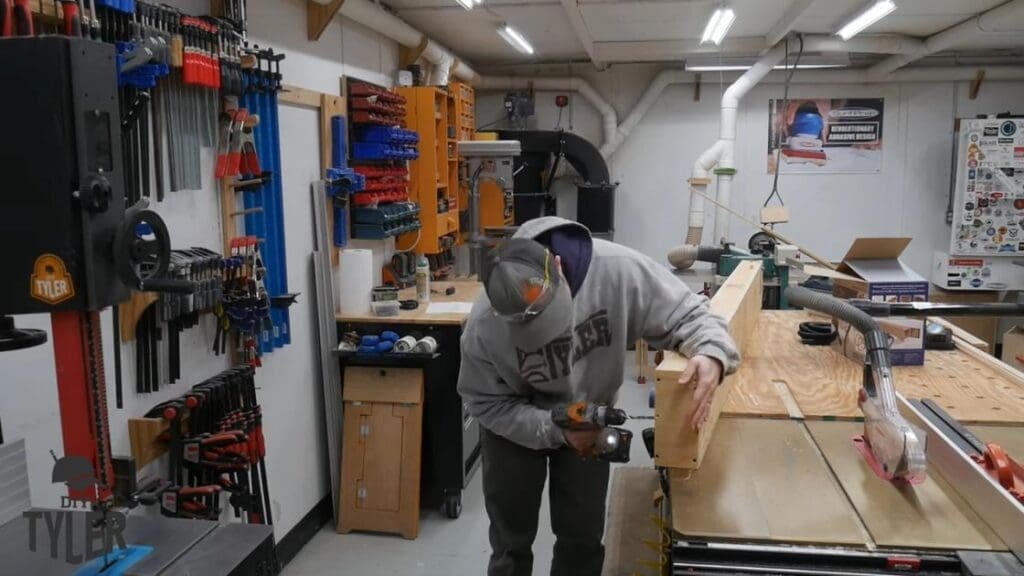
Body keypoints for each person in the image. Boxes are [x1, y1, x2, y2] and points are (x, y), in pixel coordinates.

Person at [457, 216, 740, 576]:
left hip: (591, 417)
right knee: (510, 543)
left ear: (558, 268)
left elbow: (694, 315)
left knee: (582, 539)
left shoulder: (619, 272)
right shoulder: (484, 326)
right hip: (514, 424)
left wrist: (711, 354)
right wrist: (555, 428)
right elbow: (486, 403)